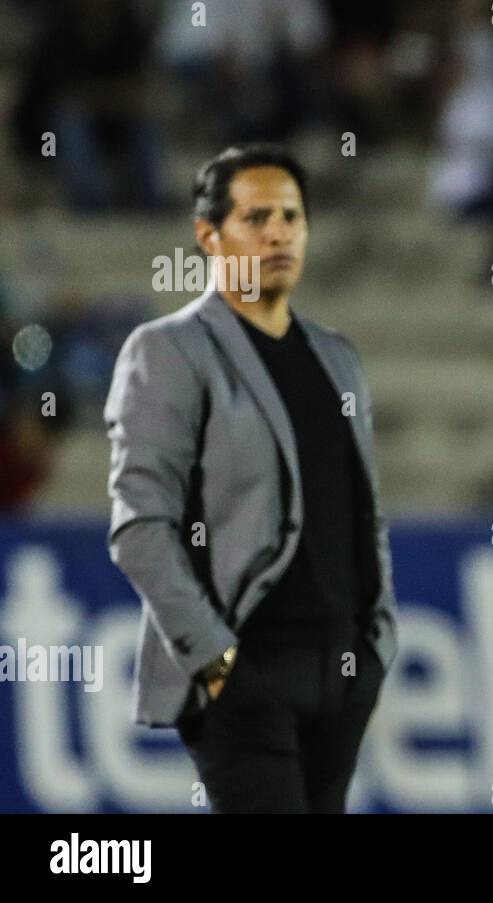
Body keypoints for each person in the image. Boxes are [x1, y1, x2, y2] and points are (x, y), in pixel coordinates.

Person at [104, 143, 397, 813]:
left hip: (342, 670)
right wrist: (217, 661)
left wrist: (377, 642)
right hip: (246, 671)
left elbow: (364, 510)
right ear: (208, 235)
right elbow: (140, 526)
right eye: (256, 216)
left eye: (292, 216)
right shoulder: (168, 350)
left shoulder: (337, 356)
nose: (278, 233)